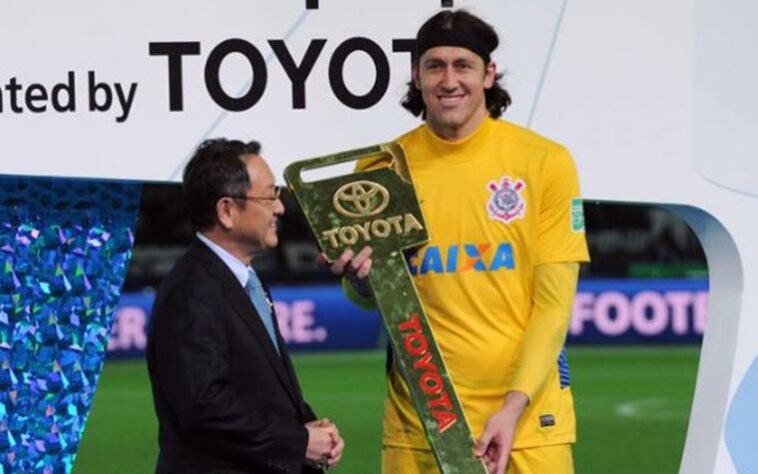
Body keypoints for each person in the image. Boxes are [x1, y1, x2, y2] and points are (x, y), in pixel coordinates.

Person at [328, 9, 589, 474]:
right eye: (435, 65)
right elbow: (368, 296)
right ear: (416, 75)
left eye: (463, 65)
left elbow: (553, 306)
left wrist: (511, 409)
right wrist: (362, 281)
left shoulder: (545, 162)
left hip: (527, 425)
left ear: (488, 73)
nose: (449, 80)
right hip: (420, 427)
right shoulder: (381, 171)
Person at [147, 138, 344, 473]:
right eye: (270, 196)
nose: (280, 208)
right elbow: (205, 409)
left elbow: (260, 391)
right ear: (227, 210)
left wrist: (312, 428)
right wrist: (298, 442)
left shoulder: (242, 280)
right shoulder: (191, 291)